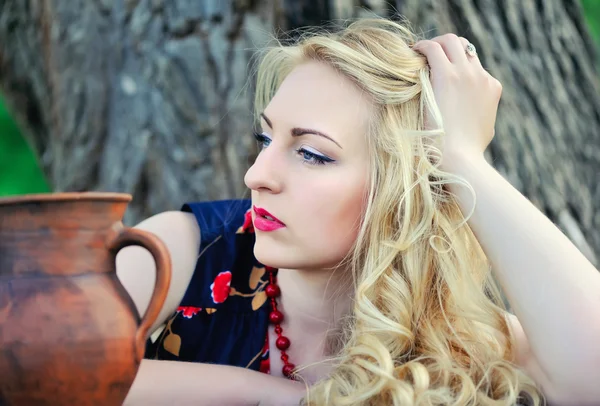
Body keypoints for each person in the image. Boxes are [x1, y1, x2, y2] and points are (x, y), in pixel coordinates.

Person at [117, 18, 600, 405]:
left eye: (311, 153)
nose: (257, 175)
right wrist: (270, 396)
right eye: (266, 139)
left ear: (400, 186)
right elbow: (43, 371)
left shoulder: (461, 339)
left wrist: (462, 159)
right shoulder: (188, 249)